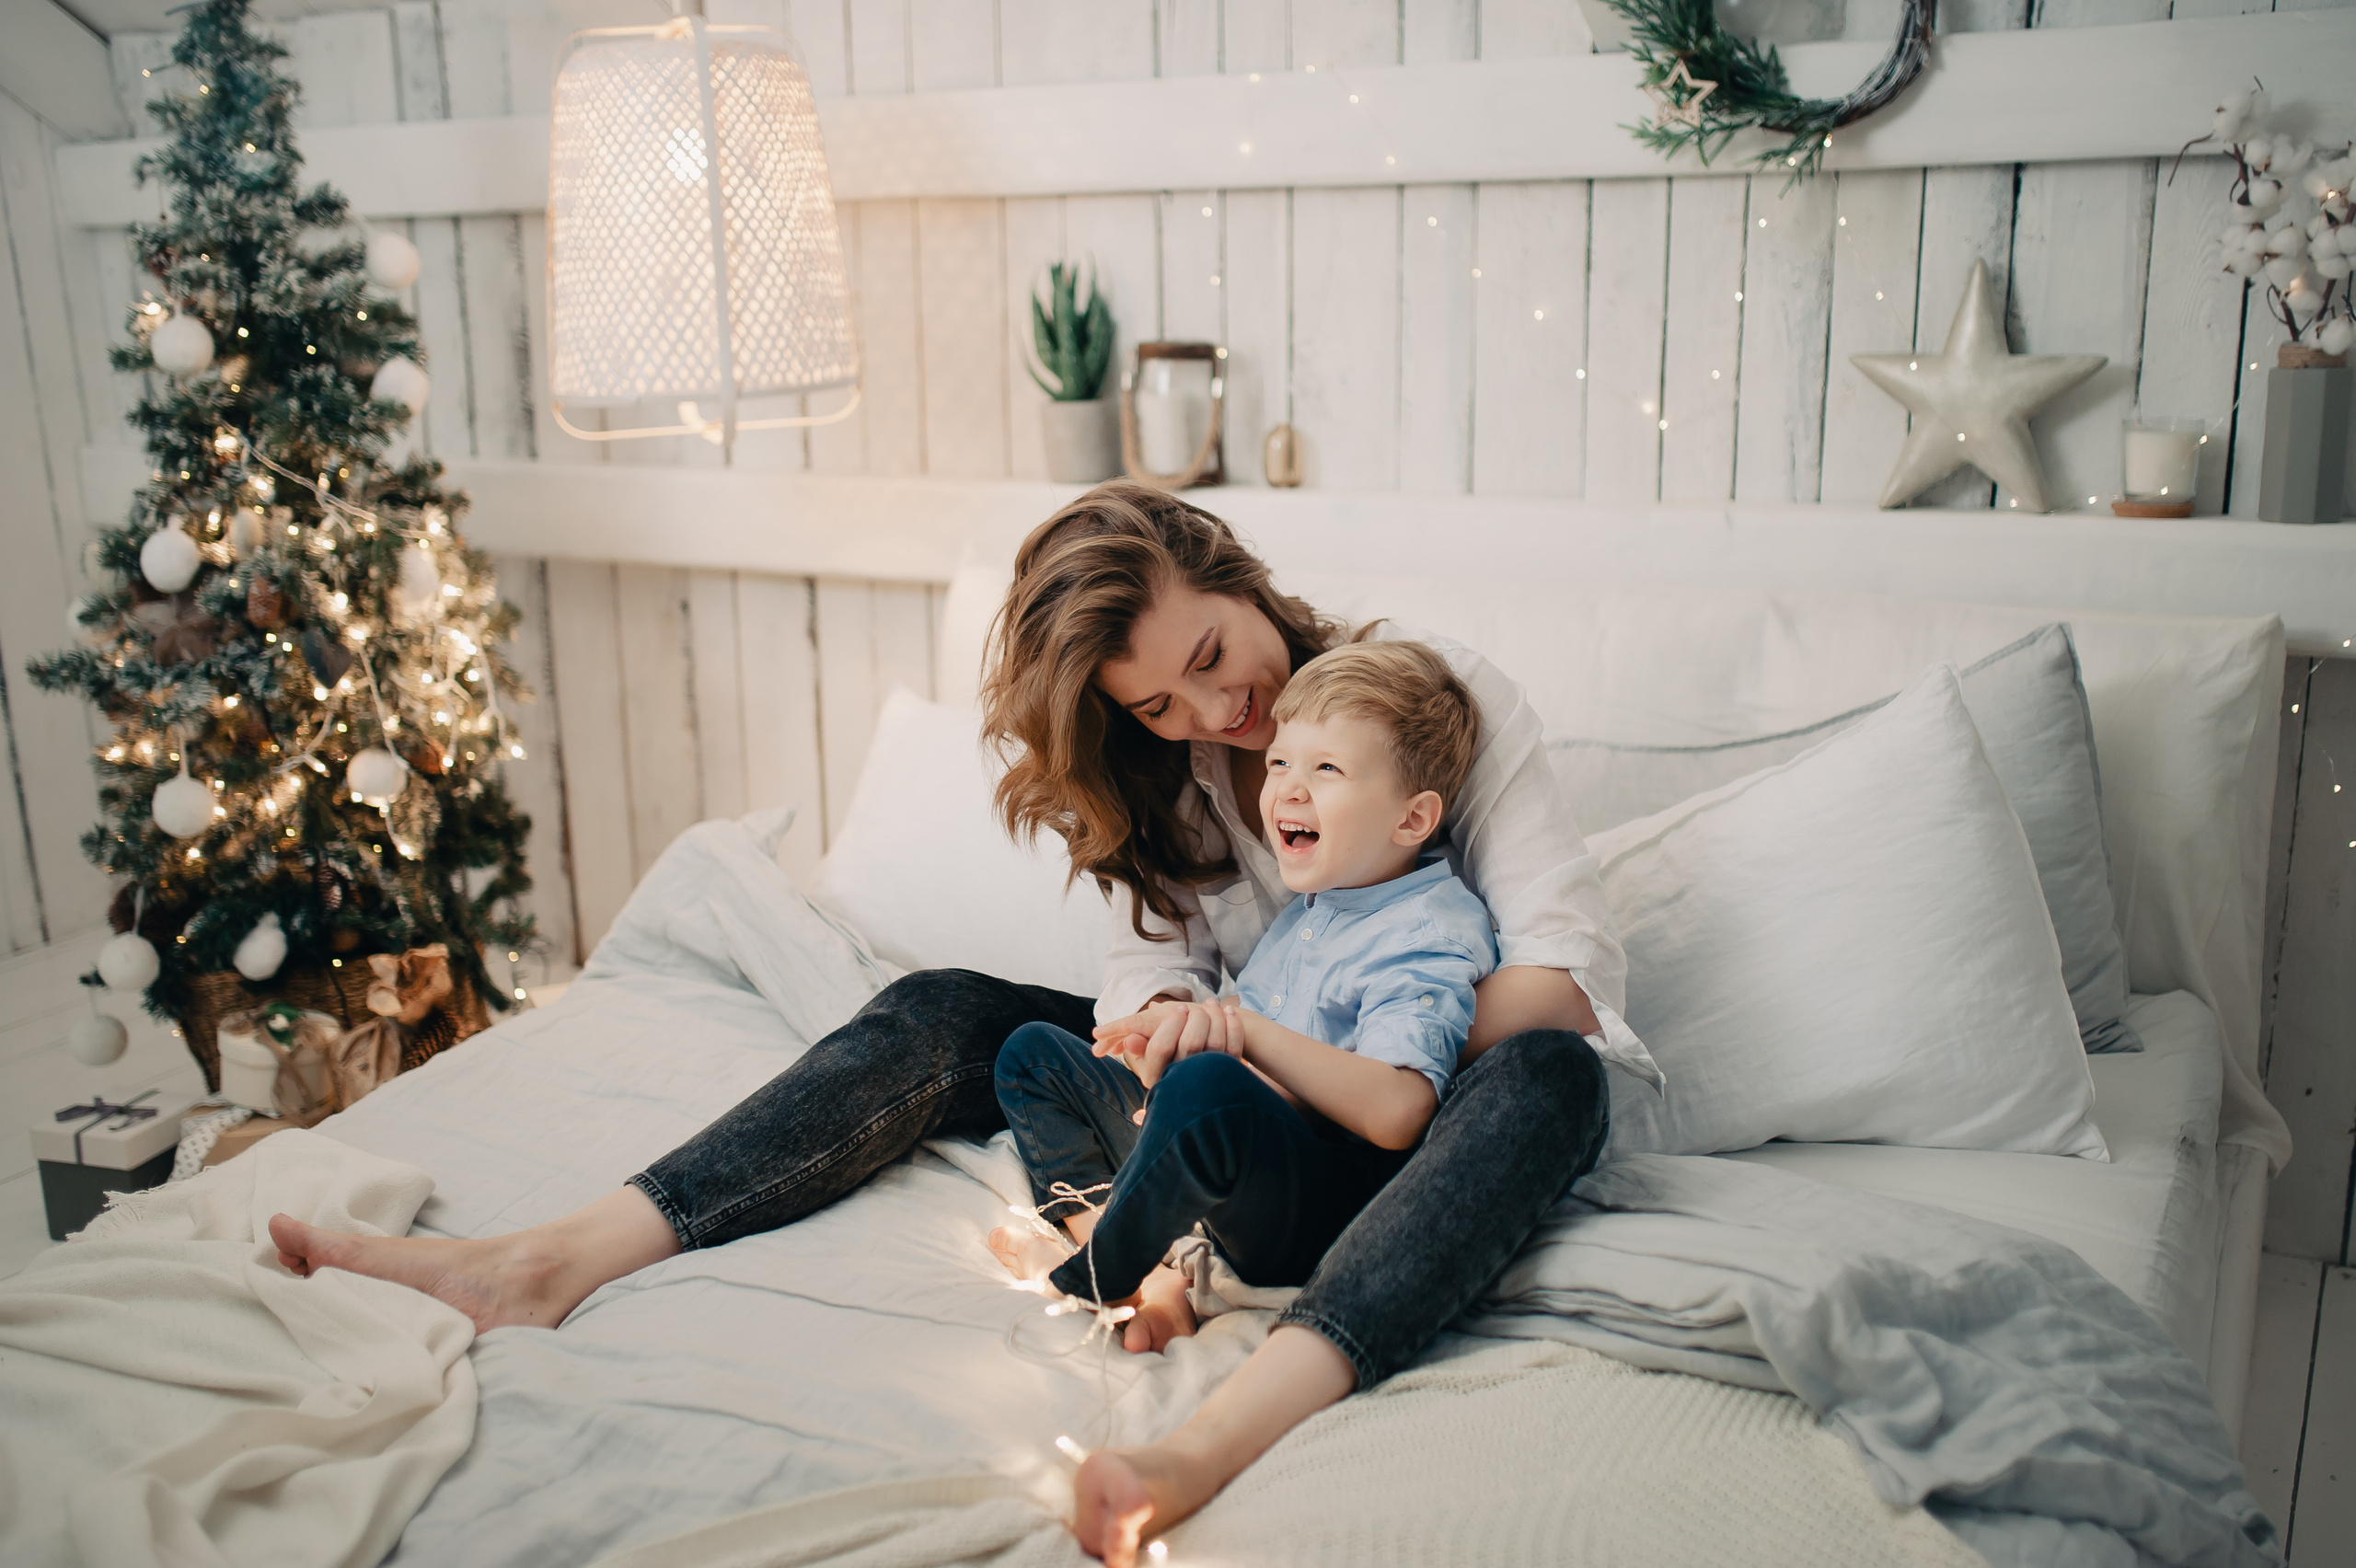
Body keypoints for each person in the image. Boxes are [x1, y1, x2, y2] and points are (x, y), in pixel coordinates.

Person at [267, 480, 1646, 1566]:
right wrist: (1173, 1031)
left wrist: (1295, 1044)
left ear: (1235, 575)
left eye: (1218, 657)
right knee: (942, 1009)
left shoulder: (1436, 704)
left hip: (1392, 1109)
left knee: (1547, 1076)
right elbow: (1140, 984)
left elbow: (1566, 983)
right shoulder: (1170, 775)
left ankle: (1218, 1437)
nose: (1222, 714)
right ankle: (551, 1260)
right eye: (1160, 704)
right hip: (1234, 1089)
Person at [987, 641, 1496, 1327]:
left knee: (1207, 1090)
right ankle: (1132, 1250)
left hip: (1315, 1206)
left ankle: (1096, 1275)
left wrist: (1243, 1042)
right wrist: (1177, 1042)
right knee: (1035, 1055)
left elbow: (1398, 1109)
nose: (1287, 787)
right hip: (1228, 1148)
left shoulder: (1428, 928)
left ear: (1411, 819)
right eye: (1281, 762)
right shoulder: (1313, 911)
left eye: (1327, 768)